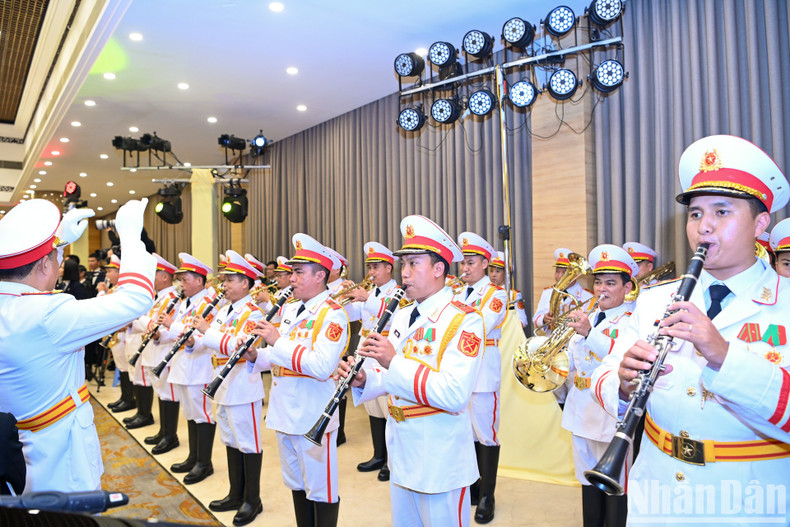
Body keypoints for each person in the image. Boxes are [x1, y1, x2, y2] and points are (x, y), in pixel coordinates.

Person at [591, 135, 790, 525]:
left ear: (761, 223)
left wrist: (723, 356)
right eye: (696, 214)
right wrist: (623, 381)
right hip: (657, 494)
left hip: (748, 502)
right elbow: (604, 371)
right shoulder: (654, 300)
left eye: (722, 212)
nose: (704, 228)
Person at [0, 198, 155, 492]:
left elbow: (37, 279)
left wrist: (57, 241)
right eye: (56, 259)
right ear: (45, 264)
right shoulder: (46, 315)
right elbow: (136, 299)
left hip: (13, 452)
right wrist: (131, 235)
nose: (59, 267)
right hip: (57, 461)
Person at [341, 215, 486, 527]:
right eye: (403, 264)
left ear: (438, 269)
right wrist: (366, 378)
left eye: (413, 264)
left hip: (439, 457)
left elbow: (453, 393)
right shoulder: (405, 315)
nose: (404, 273)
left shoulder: (465, 320)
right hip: (403, 450)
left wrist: (393, 361)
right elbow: (393, 376)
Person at [244, 234, 349, 527]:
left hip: (312, 412)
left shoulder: (332, 314)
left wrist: (276, 340)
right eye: (292, 272)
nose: (292, 278)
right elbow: (281, 357)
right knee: (297, 482)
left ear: (320, 276)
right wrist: (257, 356)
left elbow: (320, 365)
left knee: (321, 489)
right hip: (284, 410)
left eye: (298, 272)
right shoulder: (290, 309)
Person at [557, 244, 638, 527]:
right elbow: (572, 360)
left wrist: (589, 332)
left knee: (615, 482)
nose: (601, 289)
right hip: (580, 409)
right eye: (598, 282)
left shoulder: (632, 320)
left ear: (627, 287)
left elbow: (622, 355)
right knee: (586, 479)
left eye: (611, 283)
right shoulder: (588, 314)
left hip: (609, 413)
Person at [190, 250, 265, 526]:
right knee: (231, 440)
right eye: (223, 280)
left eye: (231, 279)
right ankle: (236, 493)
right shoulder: (224, 311)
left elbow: (242, 346)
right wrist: (193, 340)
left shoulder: (253, 312)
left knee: (248, 443)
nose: (225, 285)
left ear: (246, 282)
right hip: (221, 384)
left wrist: (208, 331)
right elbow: (209, 341)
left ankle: (252, 499)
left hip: (243, 386)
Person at [454, 232, 508, 524]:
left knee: (486, 433)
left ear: (486, 263)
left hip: (483, 370)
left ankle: (488, 494)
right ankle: (473, 486)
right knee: (467, 430)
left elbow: (480, 324)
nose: (464, 269)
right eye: (463, 263)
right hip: (459, 369)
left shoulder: (496, 294)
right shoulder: (457, 292)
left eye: (471, 263)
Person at [342, 241, 400, 482]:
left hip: (386, 350)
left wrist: (366, 299)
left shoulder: (400, 291)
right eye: (369, 267)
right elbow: (356, 317)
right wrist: (347, 299)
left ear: (388, 268)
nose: (371, 272)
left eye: (376, 267)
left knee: (389, 409)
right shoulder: (372, 292)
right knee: (373, 407)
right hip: (367, 350)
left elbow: (397, 315)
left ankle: (391, 460)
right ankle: (378, 454)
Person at [158, 254, 217, 475]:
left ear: (200, 281)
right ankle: (194, 457)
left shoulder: (208, 304)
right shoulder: (186, 303)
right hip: (182, 365)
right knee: (191, 413)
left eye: (186, 280)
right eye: (181, 280)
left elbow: (201, 339)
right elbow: (178, 333)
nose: (181, 284)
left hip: (199, 367)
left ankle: (204, 463)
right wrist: (160, 336)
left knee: (202, 414)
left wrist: (172, 326)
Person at [122, 254, 180, 432]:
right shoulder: (158, 297)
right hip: (152, 351)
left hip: (163, 352)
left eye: (154, 274)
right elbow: (150, 322)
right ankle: (163, 432)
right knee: (161, 394)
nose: (150, 278)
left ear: (164, 276)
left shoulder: (171, 298)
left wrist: (138, 320)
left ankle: (170, 435)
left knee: (168, 395)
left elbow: (156, 325)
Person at [533, 248, 594, 332]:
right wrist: (544, 319)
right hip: (552, 338)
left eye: (565, 272)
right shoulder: (547, 292)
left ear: (576, 274)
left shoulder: (588, 296)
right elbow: (536, 318)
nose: (559, 276)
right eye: (557, 271)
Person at [488, 251, 528, 329]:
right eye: (491, 271)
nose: (493, 275)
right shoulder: (484, 291)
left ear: (506, 273)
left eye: (498, 271)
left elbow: (523, 320)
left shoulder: (513, 295)